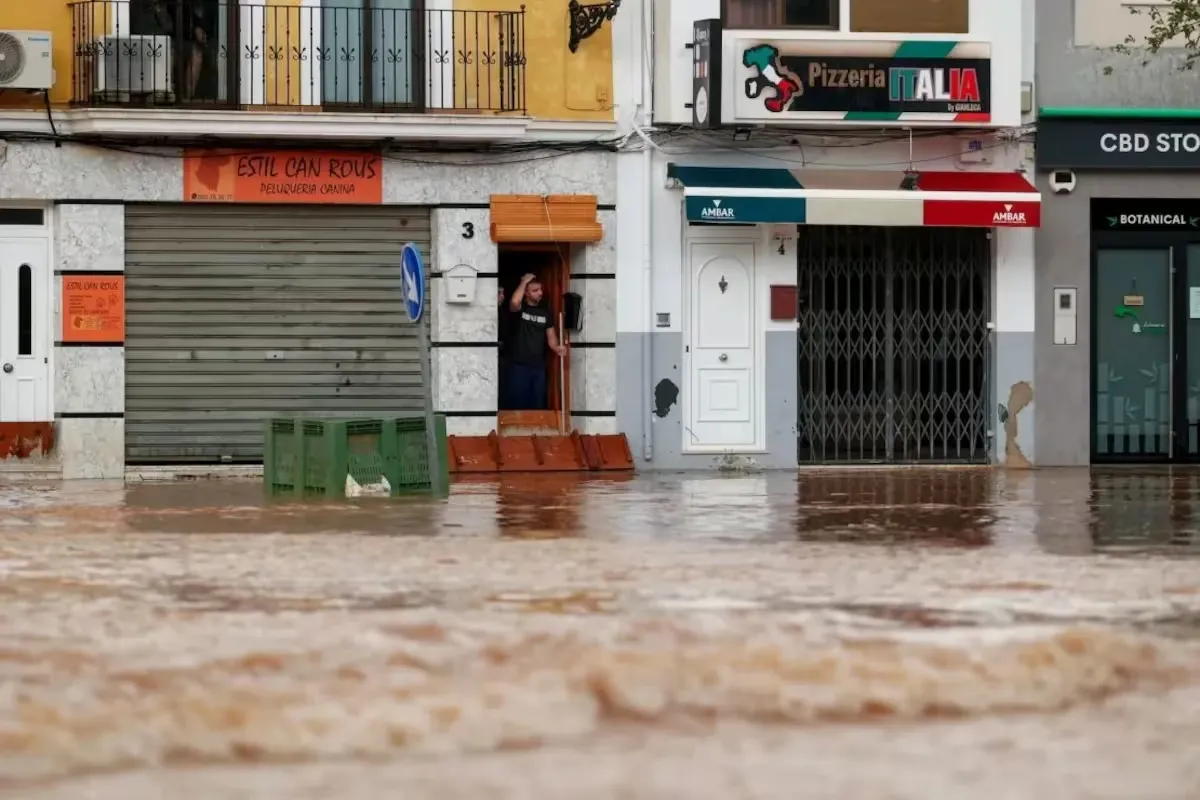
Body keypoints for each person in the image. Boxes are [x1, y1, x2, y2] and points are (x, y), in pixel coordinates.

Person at [505, 273, 566, 410]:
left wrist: (557, 348)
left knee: (537, 404)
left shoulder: (545, 312)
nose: (540, 293)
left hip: (538, 366)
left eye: (541, 290)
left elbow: (551, 338)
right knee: (518, 404)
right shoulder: (520, 310)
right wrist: (524, 282)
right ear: (526, 293)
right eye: (535, 290)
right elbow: (514, 303)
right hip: (518, 365)